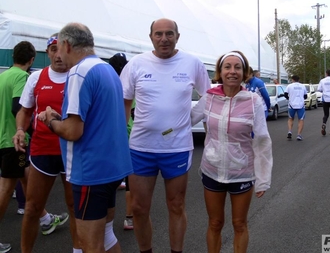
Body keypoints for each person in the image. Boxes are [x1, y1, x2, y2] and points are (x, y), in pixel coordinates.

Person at [38, 23, 133, 252]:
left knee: (89, 244)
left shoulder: (79, 72)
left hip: (90, 172)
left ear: (67, 45)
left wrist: (50, 120)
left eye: (58, 48)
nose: (58, 55)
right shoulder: (107, 69)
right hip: (112, 168)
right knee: (107, 236)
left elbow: (73, 131)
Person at [120, 18, 211, 253]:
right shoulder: (137, 63)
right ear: (150, 37)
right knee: (139, 208)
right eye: (158, 34)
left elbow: (209, 95)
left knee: (176, 205)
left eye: (169, 34)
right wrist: (120, 134)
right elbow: (124, 99)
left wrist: (190, 119)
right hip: (141, 147)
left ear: (177, 37)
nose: (164, 39)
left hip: (177, 148)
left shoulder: (192, 63)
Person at [191, 50, 273, 253]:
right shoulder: (209, 98)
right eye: (227, 67)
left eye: (238, 67)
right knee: (215, 223)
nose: (232, 71)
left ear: (244, 72)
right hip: (212, 169)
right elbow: (185, 120)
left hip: (241, 172)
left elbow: (262, 140)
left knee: (239, 224)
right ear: (220, 71)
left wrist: (263, 178)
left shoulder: (253, 101)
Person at [12, 34, 79, 253]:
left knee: (74, 207)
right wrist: (21, 130)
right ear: (47, 52)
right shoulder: (36, 77)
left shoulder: (78, 77)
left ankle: (78, 250)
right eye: (53, 49)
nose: (58, 55)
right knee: (32, 208)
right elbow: (24, 110)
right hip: (43, 151)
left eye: (62, 49)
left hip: (71, 150)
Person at [0, 41, 36, 253]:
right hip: (13, 141)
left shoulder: (3, 76)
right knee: (6, 189)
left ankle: (45, 218)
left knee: (27, 178)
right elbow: (18, 107)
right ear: (31, 60)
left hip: (2, 138)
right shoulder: (22, 77)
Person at [108, 52, 134, 231]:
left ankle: (106, 222)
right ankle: (129, 218)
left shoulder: (107, 84)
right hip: (131, 136)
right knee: (132, 181)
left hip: (111, 137)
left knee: (108, 178)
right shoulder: (130, 86)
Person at [284, 75, 307, 141]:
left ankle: (290, 131)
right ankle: (299, 135)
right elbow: (305, 96)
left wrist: (289, 98)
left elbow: (285, 94)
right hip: (300, 105)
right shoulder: (303, 86)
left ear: (292, 79)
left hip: (292, 105)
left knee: (291, 118)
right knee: (301, 119)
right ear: (298, 79)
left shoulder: (289, 86)